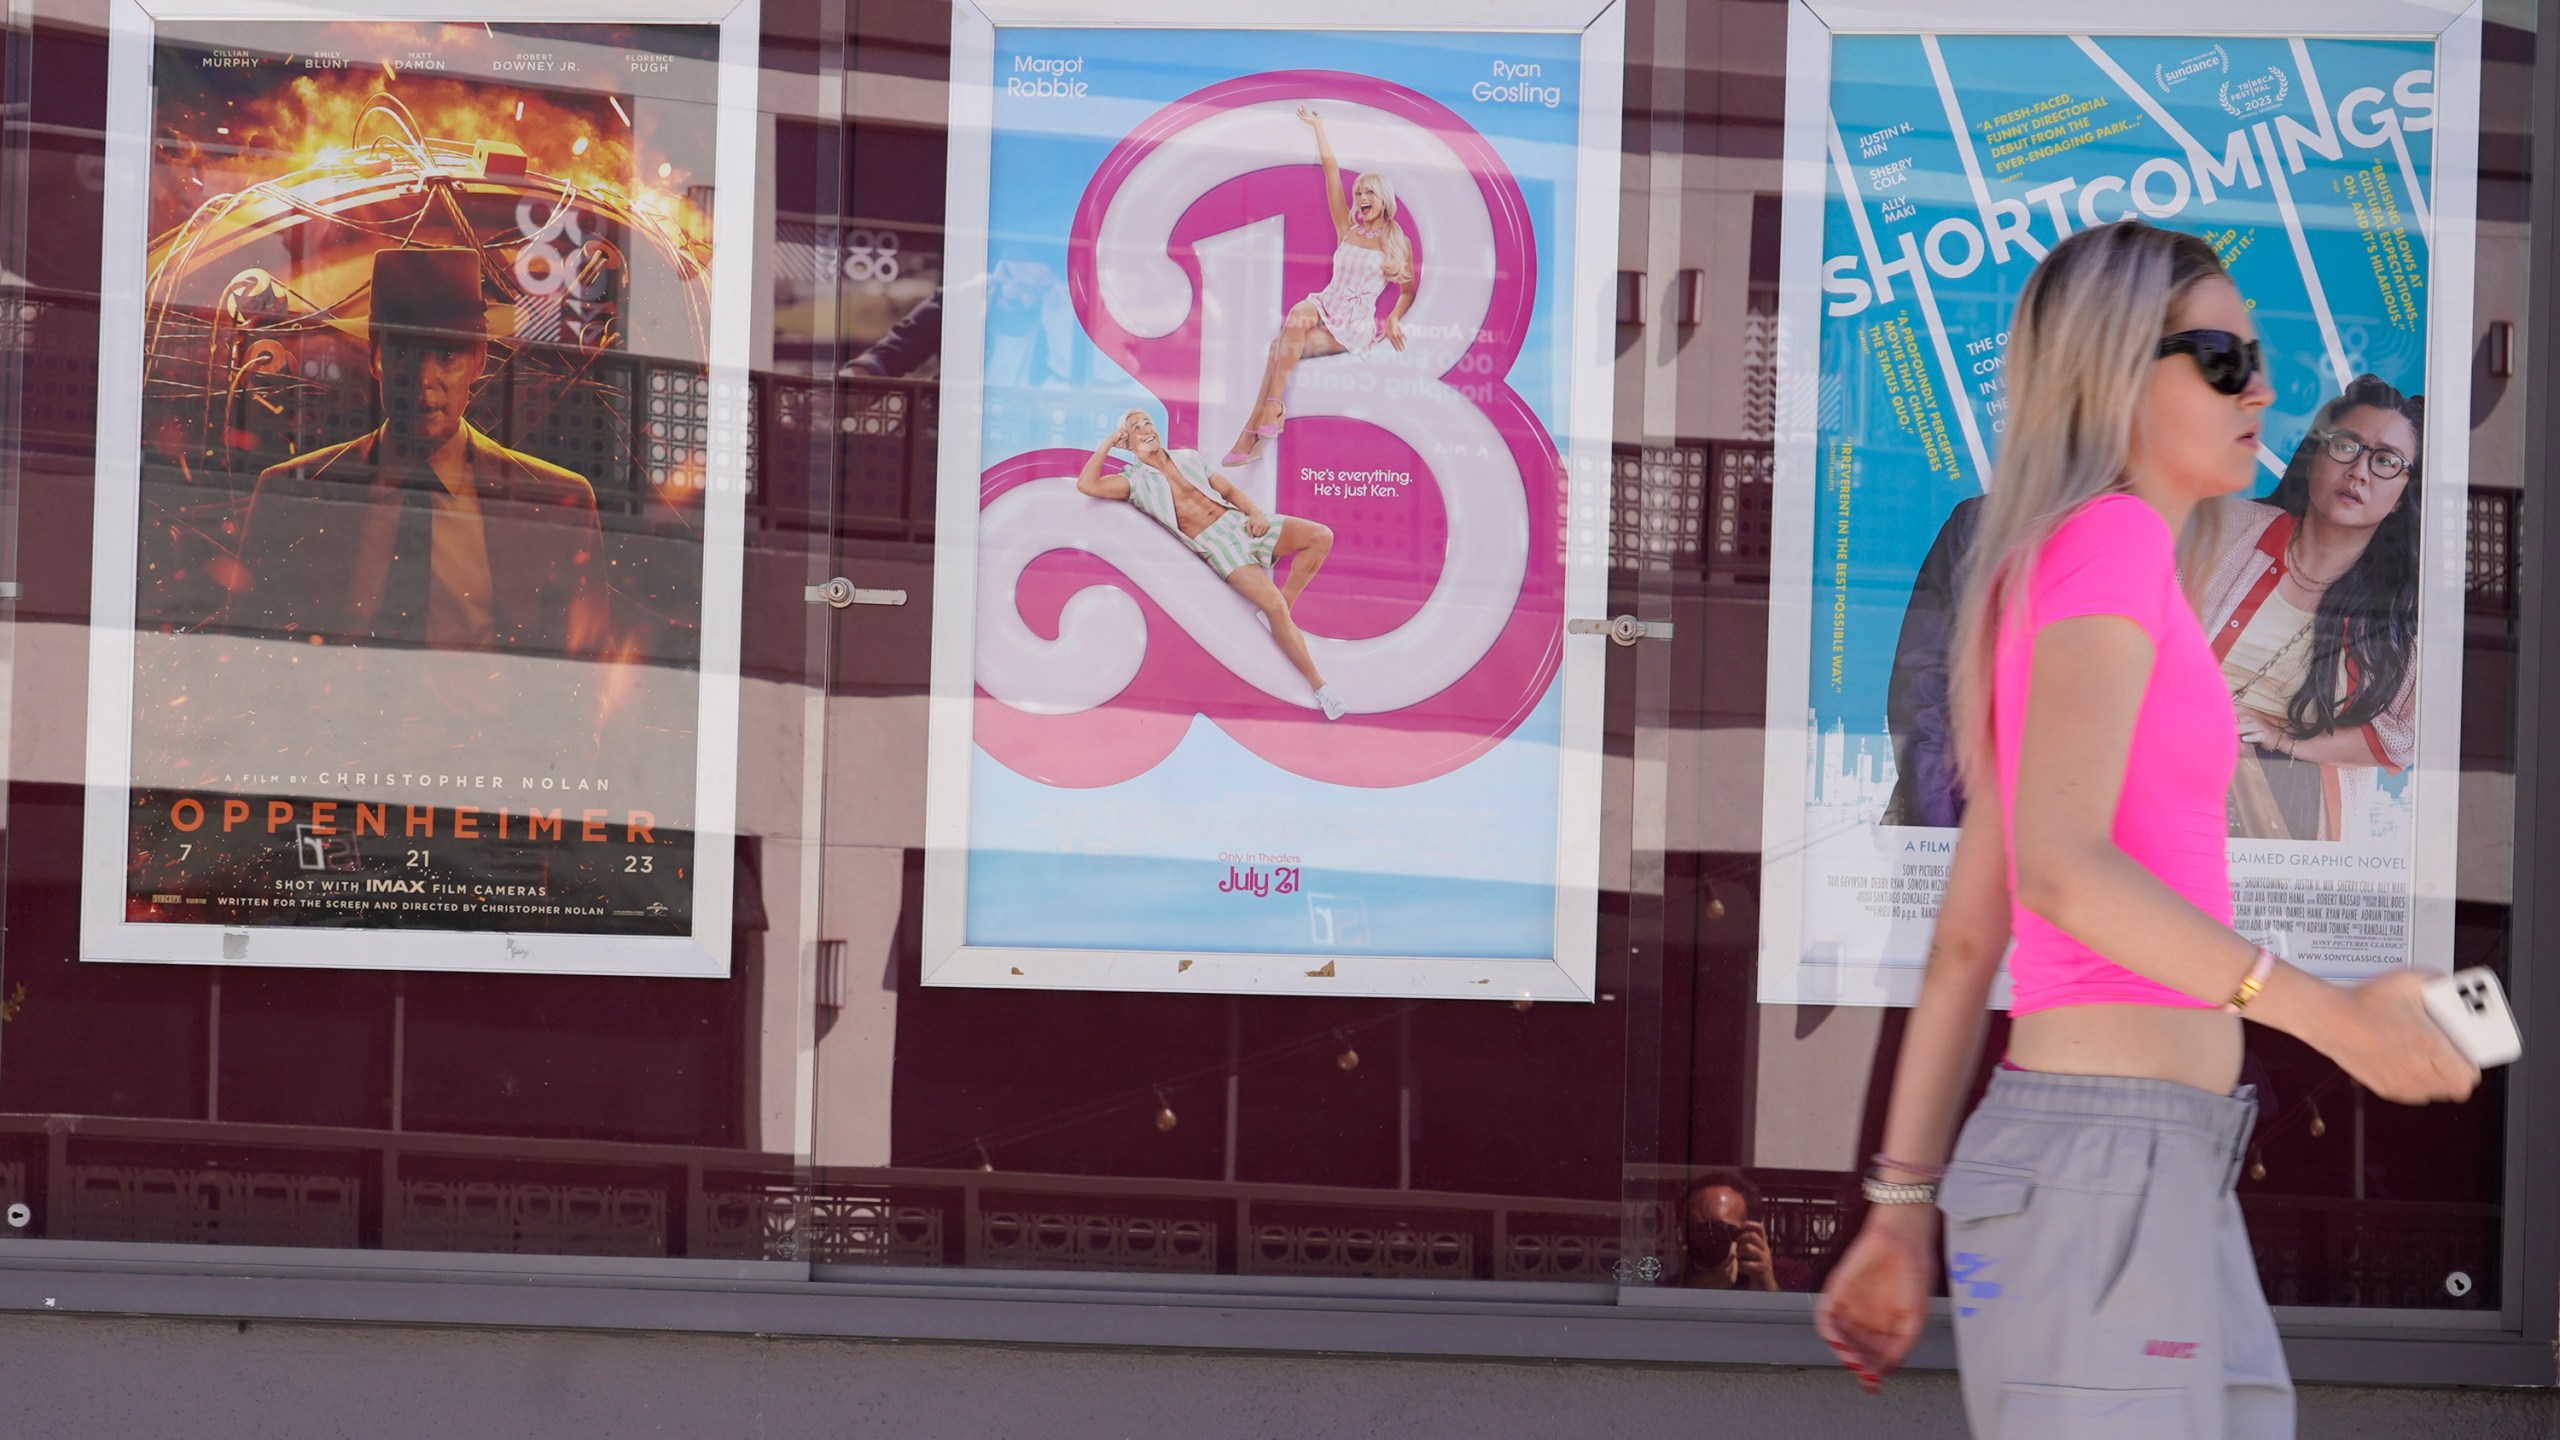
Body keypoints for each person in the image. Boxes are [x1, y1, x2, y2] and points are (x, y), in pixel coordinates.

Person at [1812, 221, 2475, 1439]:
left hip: (2140, 1168)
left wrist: (1902, 1209)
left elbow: (1972, 930)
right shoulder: (2108, 545)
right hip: (2100, 1167)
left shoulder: (2092, 563)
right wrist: (2325, 1014)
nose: (2264, 387)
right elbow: (2057, 874)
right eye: (2220, 359)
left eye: (2258, 356)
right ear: (2117, 374)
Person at [230, 246, 607, 657]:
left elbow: (582, 677)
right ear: (377, 359)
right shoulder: (291, 494)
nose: (424, 380)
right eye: (404, 352)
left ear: (478, 360)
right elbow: (251, 664)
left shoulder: (556, 501)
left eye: (446, 355)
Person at [2199, 376, 2422, 842]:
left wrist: (2282, 739)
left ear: (2404, 494)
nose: (2360, 472)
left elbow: (2398, 739)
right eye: (2347, 446)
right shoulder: (2225, 528)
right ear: (2316, 454)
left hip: (2289, 814)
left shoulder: (2404, 609)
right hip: (2171, 761)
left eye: (2386, 461)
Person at [1076, 410, 1345, 719]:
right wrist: (1109, 442)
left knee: (1320, 536)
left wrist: (1255, 513)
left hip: (1239, 522)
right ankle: (1322, 688)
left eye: (1148, 423)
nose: (1146, 429)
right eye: (1136, 428)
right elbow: (1087, 485)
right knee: (1271, 604)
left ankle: (1285, 611)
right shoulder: (1132, 481)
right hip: (1215, 544)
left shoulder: (1189, 457)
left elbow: (1228, 490)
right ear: (1128, 440)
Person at [1221, 107, 1417, 467]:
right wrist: (1319, 127)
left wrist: (1392, 320)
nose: (1360, 198)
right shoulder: (1348, 228)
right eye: (1358, 192)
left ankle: (1249, 433)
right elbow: (1331, 170)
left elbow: (1407, 290)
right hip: (1325, 303)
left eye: (1368, 192)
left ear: (1383, 197)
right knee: (1296, 315)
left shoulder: (1395, 240)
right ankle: (1273, 410)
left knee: (1277, 348)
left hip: (1352, 326)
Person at [1882, 494, 1986, 828]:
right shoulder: (1979, 527)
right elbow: (1922, 692)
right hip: (1977, 833)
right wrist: (1937, 841)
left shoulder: (2136, 540)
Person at [1679, 1168, 1811, 1292]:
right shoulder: (1678, 1284)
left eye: (1718, 1229)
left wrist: (1767, 1284)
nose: (1708, 1239)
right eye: (1695, 1230)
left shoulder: (1789, 1275)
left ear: (1749, 1232)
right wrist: (1691, 1290)